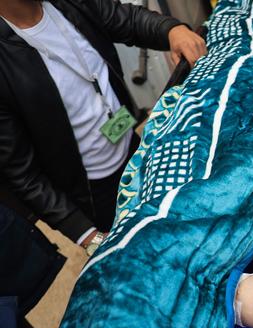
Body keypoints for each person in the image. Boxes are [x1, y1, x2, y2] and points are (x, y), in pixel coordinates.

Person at [0, 0, 206, 255]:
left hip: (133, 144)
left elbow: (126, 19)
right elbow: (23, 173)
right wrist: (87, 235)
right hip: (95, 193)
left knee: (190, 222)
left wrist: (172, 30)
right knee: (156, 256)